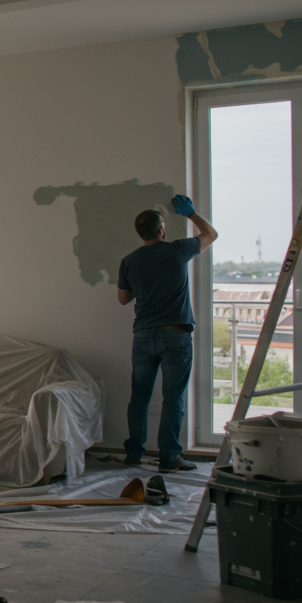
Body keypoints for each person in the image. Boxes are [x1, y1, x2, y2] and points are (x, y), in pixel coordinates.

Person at [117, 195, 218, 473]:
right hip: (175, 336)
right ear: (161, 230)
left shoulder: (129, 261)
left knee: (139, 397)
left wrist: (145, 282)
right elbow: (211, 234)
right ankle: (169, 458)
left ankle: (134, 455)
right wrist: (191, 213)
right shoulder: (178, 249)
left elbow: (123, 299)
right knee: (173, 399)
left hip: (144, 336)